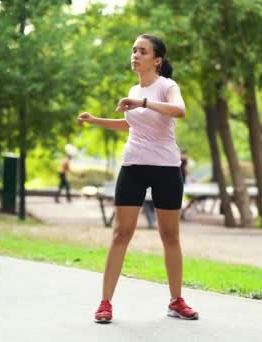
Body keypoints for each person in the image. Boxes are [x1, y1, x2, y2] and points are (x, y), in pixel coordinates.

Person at [77, 34, 198, 323]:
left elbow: (179, 111)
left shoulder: (166, 86)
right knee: (121, 233)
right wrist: (96, 120)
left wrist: (142, 101)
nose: (135, 55)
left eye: (142, 51)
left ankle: (176, 300)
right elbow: (130, 125)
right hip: (133, 167)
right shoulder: (134, 88)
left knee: (170, 235)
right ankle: (105, 303)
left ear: (157, 60)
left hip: (166, 169)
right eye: (133, 50)